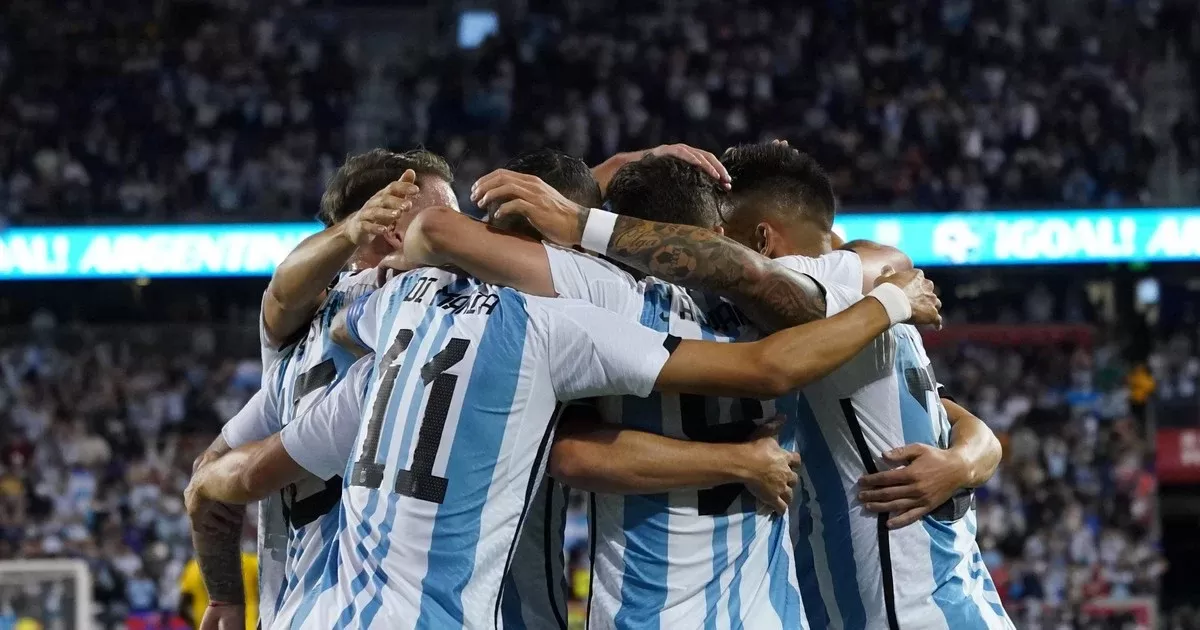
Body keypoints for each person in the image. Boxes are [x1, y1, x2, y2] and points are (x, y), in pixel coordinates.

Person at [186, 213, 941, 629]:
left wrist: (210, 527)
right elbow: (766, 368)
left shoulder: (384, 331)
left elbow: (231, 478)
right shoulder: (557, 330)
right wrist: (896, 303)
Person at [469, 144, 1011, 629]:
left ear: (757, 240)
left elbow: (745, 278)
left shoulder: (807, 302)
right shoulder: (861, 304)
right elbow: (938, 400)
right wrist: (972, 453)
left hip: (902, 614)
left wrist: (580, 215)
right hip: (923, 605)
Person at [188, 148, 457, 630]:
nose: (463, 230)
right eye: (448, 216)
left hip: (291, 611)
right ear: (395, 227)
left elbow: (204, 480)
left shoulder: (295, 349)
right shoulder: (438, 306)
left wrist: (225, 599)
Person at [178, 552, 258, 630]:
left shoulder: (193, 567)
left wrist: (196, 625)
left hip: (206, 625)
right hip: (245, 624)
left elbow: (182, 608)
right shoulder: (248, 561)